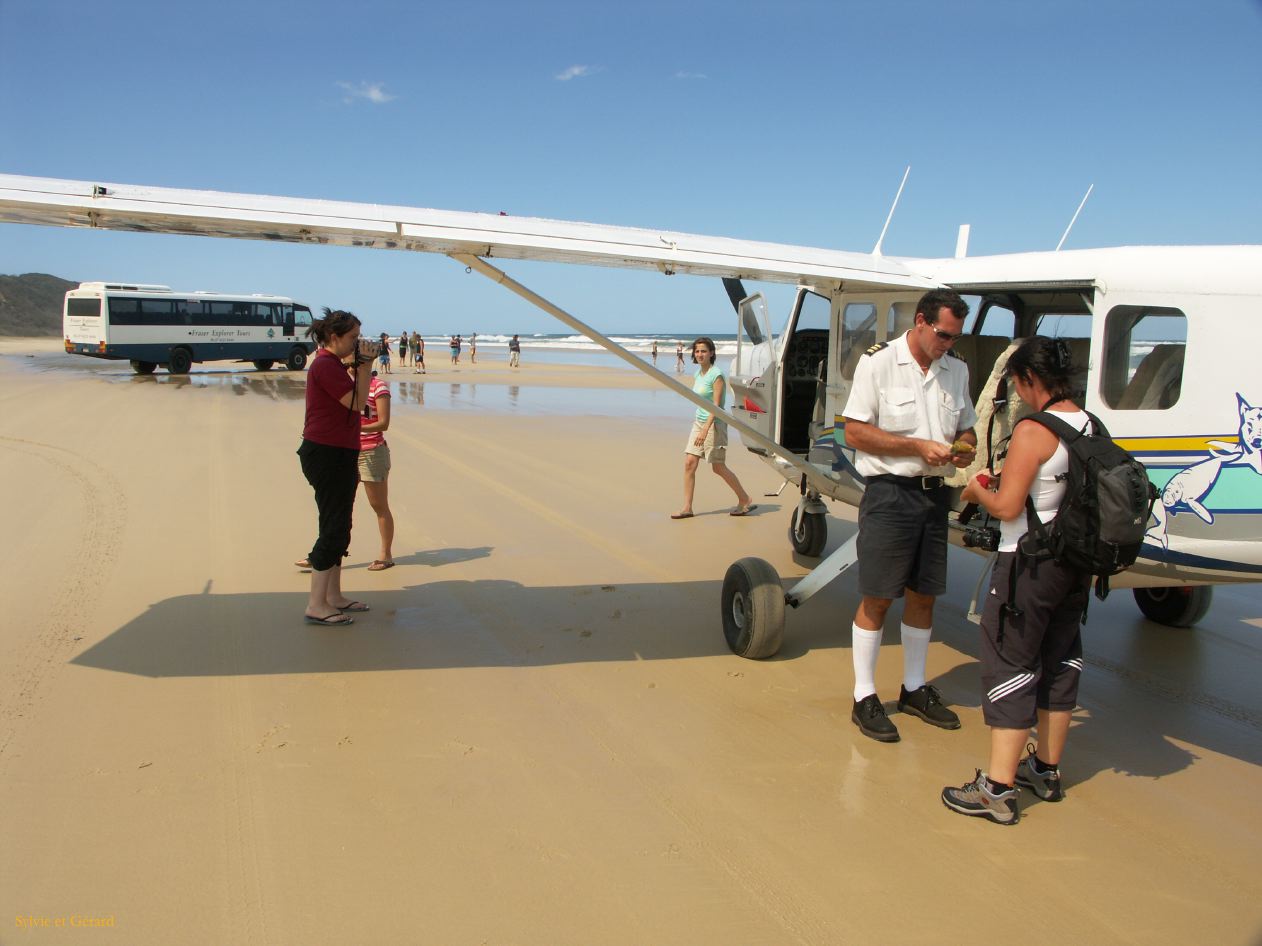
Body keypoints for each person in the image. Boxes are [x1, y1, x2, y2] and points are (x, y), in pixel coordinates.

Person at [941, 337, 1089, 826]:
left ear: (1028, 379)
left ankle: (998, 790)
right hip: (1072, 565)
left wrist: (977, 491)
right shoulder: (1087, 423)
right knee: (1061, 659)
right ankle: (1045, 771)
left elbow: (1007, 507)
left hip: (1028, 563)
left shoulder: (1034, 430)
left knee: (1010, 660)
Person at [841, 289, 978, 743]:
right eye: (943, 334)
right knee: (878, 596)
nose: (948, 344)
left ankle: (915, 688)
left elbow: (968, 427)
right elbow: (856, 431)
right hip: (890, 494)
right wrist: (918, 446)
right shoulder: (878, 363)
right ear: (920, 321)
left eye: (955, 337)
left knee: (924, 595)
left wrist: (965, 449)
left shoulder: (955, 370)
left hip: (934, 496)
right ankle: (864, 696)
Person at [298, 309, 379, 626]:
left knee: (339, 524)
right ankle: (316, 604)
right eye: (353, 338)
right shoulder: (324, 365)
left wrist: (359, 366)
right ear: (335, 337)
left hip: (338, 450)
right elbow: (358, 404)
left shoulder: (331, 364)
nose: (357, 343)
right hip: (327, 452)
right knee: (333, 526)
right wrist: (367, 366)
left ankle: (333, 597)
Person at [671, 337, 755, 520]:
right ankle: (687, 508)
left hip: (714, 424)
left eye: (704, 351)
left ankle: (744, 498)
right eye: (697, 351)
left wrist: (705, 429)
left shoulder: (716, 375)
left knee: (717, 467)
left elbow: (716, 407)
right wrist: (699, 426)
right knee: (689, 464)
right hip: (699, 422)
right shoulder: (698, 374)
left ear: (712, 353)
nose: (700, 354)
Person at [358, 369, 395, 571]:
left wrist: (355, 429)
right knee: (337, 507)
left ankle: (385, 554)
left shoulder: (377, 386)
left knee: (379, 506)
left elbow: (384, 422)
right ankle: (325, 553)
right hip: (345, 452)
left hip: (371, 452)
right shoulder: (345, 385)